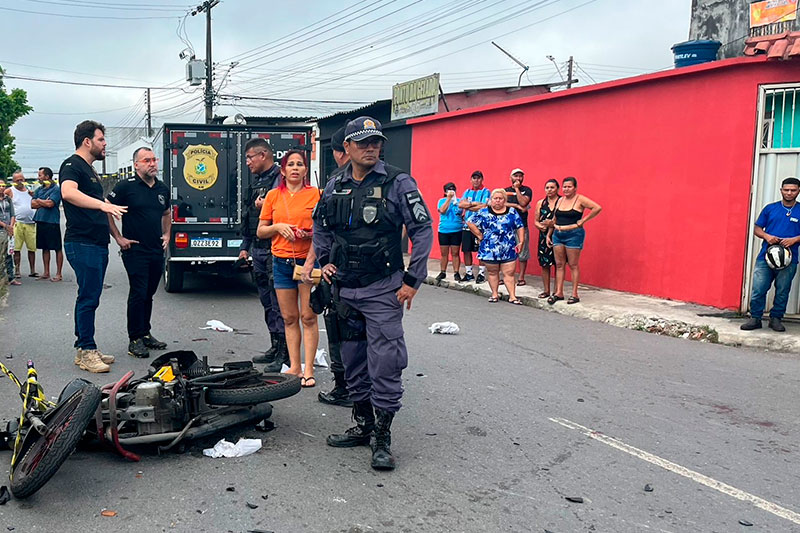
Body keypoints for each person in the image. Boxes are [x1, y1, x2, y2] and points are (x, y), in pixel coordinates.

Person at [313, 116, 433, 471]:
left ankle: (382, 436)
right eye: (363, 142)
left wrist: (413, 279)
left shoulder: (398, 183)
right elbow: (320, 226)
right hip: (345, 290)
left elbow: (422, 230)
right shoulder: (335, 185)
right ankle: (363, 424)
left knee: (385, 362)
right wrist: (324, 261)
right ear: (346, 148)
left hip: (384, 289)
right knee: (352, 362)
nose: (371, 148)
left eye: (376, 142)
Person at [60, 120, 126, 373]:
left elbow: (102, 208)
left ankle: (85, 347)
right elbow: (68, 193)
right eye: (101, 139)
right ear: (87, 141)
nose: (105, 144)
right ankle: (86, 350)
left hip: (97, 243)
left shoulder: (90, 170)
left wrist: (117, 237)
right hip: (82, 242)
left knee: (91, 296)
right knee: (88, 297)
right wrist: (102, 205)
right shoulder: (72, 165)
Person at [258, 150, 320, 387]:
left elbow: (324, 231)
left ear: (306, 170)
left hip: (307, 262)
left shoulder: (316, 195)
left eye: (300, 164)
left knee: (308, 316)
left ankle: (309, 369)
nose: (295, 168)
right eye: (290, 164)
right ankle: (294, 366)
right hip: (281, 262)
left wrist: (308, 236)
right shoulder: (273, 196)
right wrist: (278, 227)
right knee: (289, 317)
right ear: (283, 171)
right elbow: (261, 230)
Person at [107, 147, 171, 358]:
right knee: (138, 292)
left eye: (154, 160)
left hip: (155, 249)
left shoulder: (161, 188)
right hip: (135, 249)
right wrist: (118, 237)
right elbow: (106, 208)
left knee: (149, 294)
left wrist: (167, 235)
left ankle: (145, 333)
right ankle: (134, 339)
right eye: (147, 160)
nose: (152, 163)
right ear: (136, 165)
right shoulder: (126, 187)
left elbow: (167, 213)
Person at [311, 126, 352, 407]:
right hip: (367, 270)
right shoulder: (388, 178)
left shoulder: (335, 181)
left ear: (339, 152)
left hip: (340, 270)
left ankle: (344, 387)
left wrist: (323, 263)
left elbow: (320, 228)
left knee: (338, 327)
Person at [240, 138, 288, 371]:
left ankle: (284, 353)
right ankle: (274, 344)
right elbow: (251, 215)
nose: (247, 162)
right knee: (267, 301)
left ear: (263, 155)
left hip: (275, 249)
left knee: (280, 303)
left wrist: (266, 206)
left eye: (250, 157)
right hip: (258, 248)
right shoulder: (259, 182)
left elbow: (288, 213)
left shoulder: (281, 180)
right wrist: (245, 245)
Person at [741, 177, 800, 332]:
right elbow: (757, 228)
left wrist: (794, 239)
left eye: (793, 190)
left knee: (782, 290)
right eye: (786, 190)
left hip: (789, 259)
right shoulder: (770, 208)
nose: (789, 193)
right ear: (781, 190)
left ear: (798, 191)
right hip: (765, 258)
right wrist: (767, 237)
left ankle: (776, 319)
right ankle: (755, 318)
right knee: (758, 288)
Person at [547, 177, 602, 305]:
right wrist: (549, 233)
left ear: (575, 188)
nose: (566, 189)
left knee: (573, 264)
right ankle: (558, 292)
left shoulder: (580, 199)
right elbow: (555, 218)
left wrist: (583, 221)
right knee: (559, 264)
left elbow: (597, 208)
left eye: (569, 187)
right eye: (564, 187)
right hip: (558, 233)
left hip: (573, 234)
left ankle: (574, 294)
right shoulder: (560, 200)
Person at [467, 188, 525, 304]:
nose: (498, 201)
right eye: (495, 198)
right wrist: (479, 235)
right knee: (493, 272)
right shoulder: (484, 212)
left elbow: (519, 226)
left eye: (500, 198)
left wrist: (521, 241)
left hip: (508, 247)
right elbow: (469, 221)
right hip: (489, 248)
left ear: (504, 200)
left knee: (509, 273)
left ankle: (512, 296)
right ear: (491, 200)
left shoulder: (512, 211)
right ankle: (494, 294)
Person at [31, 167, 63, 282]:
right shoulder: (39, 189)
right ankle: (46, 272)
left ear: (47, 177)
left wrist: (39, 201)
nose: (38, 178)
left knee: (57, 248)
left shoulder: (56, 189)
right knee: (44, 248)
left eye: (40, 175)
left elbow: (51, 204)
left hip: (52, 221)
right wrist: (42, 201)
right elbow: (32, 204)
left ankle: (59, 274)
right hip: (41, 221)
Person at [458, 170, 490, 283]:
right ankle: (469, 273)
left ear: (482, 179)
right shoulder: (467, 191)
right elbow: (461, 204)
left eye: (478, 178)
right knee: (466, 250)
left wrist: (468, 205)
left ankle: (481, 274)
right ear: (471, 180)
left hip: (480, 226)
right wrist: (474, 204)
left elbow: (484, 206)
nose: (476, 180)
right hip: (467, 225)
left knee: (481, 249)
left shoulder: (486, 191)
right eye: (474, 178)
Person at [504, 168, 533, 286]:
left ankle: (521, 276)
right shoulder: (504, 191)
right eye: (516, 176)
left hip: (522, 226)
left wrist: (517, 189)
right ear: (510, 177)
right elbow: (500, 203)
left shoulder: (527, 190)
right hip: (506, 226)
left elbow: (523, 203)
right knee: (506, 252)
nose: (518, 178)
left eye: (520, 176)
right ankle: (506, 275)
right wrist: (515, 205)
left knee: (522, 252)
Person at [532, 179, 560, 298]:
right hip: (543, 236)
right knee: (545, 264)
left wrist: (552, 225)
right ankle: (546, 290)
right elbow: (535, 221)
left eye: (552, 187)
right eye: (547, 187)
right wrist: (541, 227)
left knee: (559, 264)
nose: (549, 190)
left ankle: (557, 291)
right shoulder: (541, 203)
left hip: (558, 235)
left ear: (557, 189)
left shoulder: (561, 202)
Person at [8, 171, 37, 279]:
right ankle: (17, 270)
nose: (20, 182)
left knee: (32, 248)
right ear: (14, 181)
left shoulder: (29, 191)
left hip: (30, 223)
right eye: (17, 180)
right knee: (16, 249)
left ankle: (33, 270)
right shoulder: (10, 190)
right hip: (17, 223)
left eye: (21, 179)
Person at [436, 181, 463, 281]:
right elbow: (442, 210)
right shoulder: (441, 201)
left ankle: (456, 272)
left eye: (453, 189)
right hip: (444, 230)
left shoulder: (459, 201)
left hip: (456, 229)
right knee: (444, 253)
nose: (451, 191)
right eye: (449, 190)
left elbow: (461, 212)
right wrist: (448, 199)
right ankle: (443, 271)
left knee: (455, 252)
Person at [0, 185, 17, 285]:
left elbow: (12, 214)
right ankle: (2, 277)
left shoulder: (8, 199)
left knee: (9, 253)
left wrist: (11, 226)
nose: (1, 188)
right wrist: (5, 225)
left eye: (3, 186)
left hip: (8, 229)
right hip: (1, 228)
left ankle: (11, 277)